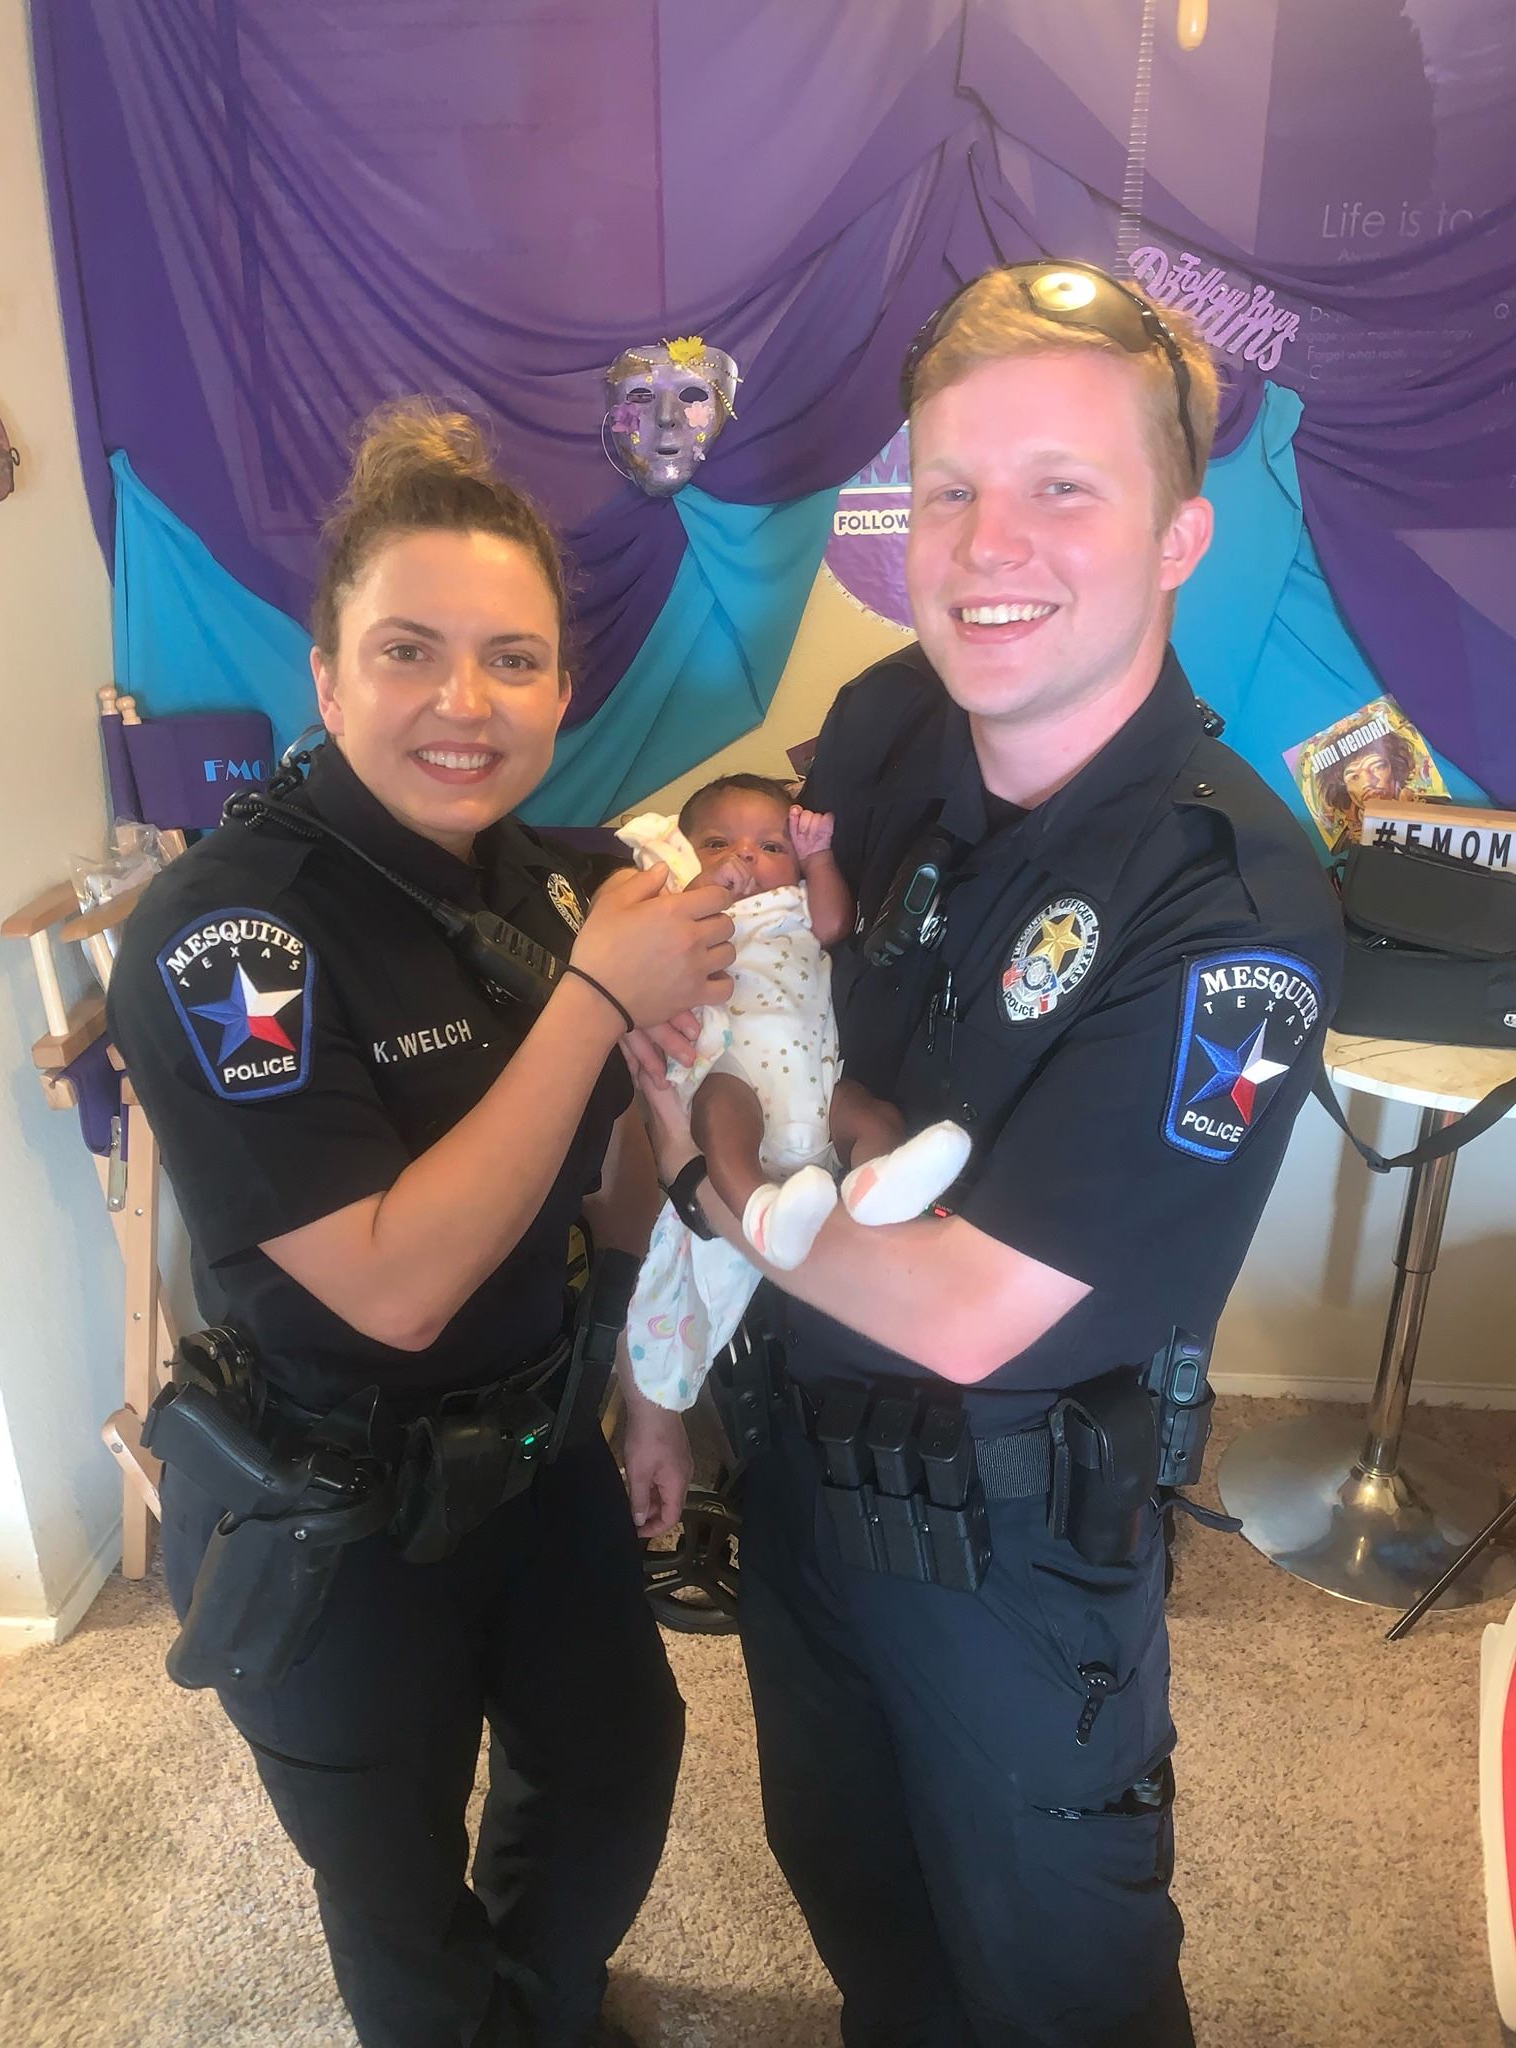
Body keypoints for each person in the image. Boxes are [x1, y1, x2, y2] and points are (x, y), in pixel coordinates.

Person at [634, 263, 1345, 2046]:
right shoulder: (887, 726)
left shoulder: (1228, 908)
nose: (983, 542)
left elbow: (967, 1308)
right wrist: (676, 1341)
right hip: (796, 1478)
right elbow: (788, 1002)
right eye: (948, 485)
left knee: (1060, 1991)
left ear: (1178, 536)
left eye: (1060, 486)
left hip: (1008, 1551)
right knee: (867, 1927)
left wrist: (706, 1157)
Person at [106, 399, 736, 2048]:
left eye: (513, 659)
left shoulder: (549, 878)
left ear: (562, 687)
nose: (466, 704)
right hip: (336, 1507)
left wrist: (653, 1370)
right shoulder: (228, 930)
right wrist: (602, 996)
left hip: (541, 1444)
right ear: (324, 673)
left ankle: (550, 2006)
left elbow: (595, 1190)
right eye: (409, 651)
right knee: (393, 1890)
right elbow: (390, 1284)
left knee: (615, 1762)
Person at [616, 775, 968, 1409]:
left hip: (815, 1079)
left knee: (872, 1112)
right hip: (737, 1067)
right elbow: (659, 937)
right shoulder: (687, 906)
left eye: (771, 846)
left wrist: (820, 858)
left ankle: (877, 1186)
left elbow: (836, 925)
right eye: (720, 842)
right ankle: (759, 1210)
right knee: (721, 1113)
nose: (745, 856)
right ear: (687, 853)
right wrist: (704, 888)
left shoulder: (800, 903)